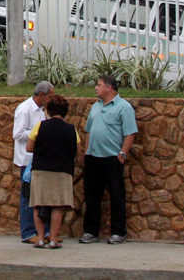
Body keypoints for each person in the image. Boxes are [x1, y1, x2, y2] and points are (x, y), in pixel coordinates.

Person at [81, 74, 137, 245]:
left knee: (116, 196)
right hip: (93, 158)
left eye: (99, 85)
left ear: (109, 88)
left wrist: (122, 154)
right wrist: (86, 151)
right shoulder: (95, 107)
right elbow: (89, 130)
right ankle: (91, 231)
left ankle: (118, 232)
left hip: (112, 158)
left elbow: (130, 133)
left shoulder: (123, 107)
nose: (96, 88)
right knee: (91, 197)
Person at [26, 94, 79, 249]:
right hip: (62, 170)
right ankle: (54, 239)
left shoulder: (40, 126)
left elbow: (29, 147)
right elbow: (78, 149)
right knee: (57, 205)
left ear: (48, 111)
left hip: (41, 169)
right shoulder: (71, 129)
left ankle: (41, 239)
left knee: (38, 204)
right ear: (65, 112)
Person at [13, 80, 53, 245]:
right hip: (27, 161)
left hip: (39, 159)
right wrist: (39, 133)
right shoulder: (25, 109)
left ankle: (44, 231)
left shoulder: (41, 111)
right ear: (41, 95)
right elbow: (18, 133)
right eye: (50, 96)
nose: (52, 99)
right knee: (27, 197)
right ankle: (28, 232)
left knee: (41, 197)